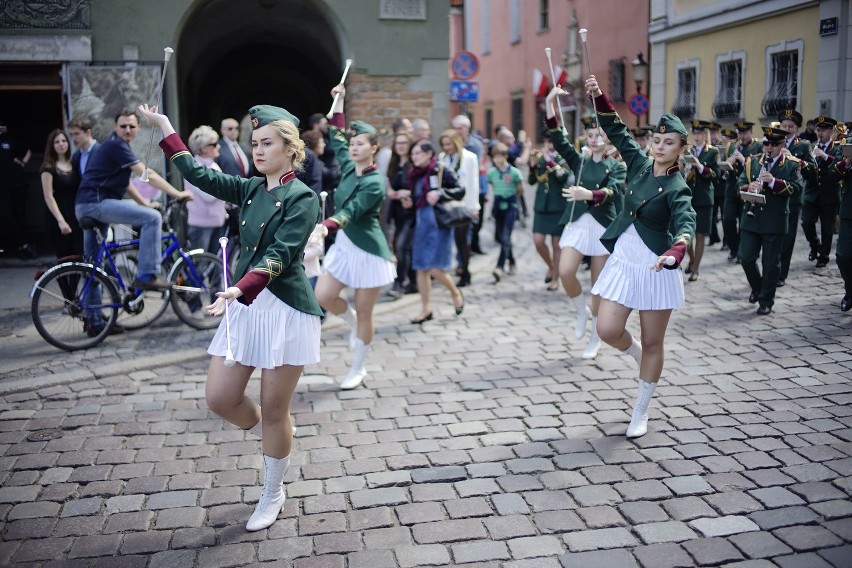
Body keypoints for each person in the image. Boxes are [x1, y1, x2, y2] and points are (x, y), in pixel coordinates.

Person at [139, 102, 323, 533]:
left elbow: (282, 254)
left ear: (290, 148)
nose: (257, 150)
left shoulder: (303, 198)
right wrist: (166, 127)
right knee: (221, 398)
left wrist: (240, 287)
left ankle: (273, 490)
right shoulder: (251, 188)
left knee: (277, 411)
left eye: (267, 143)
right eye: (254, 143)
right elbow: (201, 175)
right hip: (243, 303)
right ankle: (275, 431)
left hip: (283, 308)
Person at [564, 76, 695, 438]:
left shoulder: (677, 187)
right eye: (657, 140)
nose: (660, 146)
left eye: (669, 142)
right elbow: (618, 131)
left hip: (656, 264)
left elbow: (686, 222)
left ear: (681, 148)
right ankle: (635, 354)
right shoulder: (637, 163)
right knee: (607, 329)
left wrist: (675, 252)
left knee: (654, 342)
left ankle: (640, 410)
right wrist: (599, 97)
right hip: (623, 258)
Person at [75, 109, 193, 335]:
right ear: (115, 127)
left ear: (138, 129)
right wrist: (177, 193)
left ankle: (95, 322)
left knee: (93, 267)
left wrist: (145, 203)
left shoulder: (115, 147)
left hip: (85, 205)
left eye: (131, 126)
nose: (127, 130)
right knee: (153, 218)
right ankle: (147, 274)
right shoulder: (115, 146)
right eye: (123, 126)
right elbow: (146, 174)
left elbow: (127, 184)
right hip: (96, 204)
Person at [315, 84, 396, 391]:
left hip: (369, 250)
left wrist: (328, 224)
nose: (354, 147)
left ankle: (358, 367)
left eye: (361, 143)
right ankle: (350, 324)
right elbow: (336, 135)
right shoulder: (348, 166)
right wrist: (340, 101)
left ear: (374, 147)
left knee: (365, 310)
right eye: (354, 143)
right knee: (324, 296)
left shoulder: (375, 182)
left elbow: (354, 210)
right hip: (346, 245)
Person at [545, 89, 626, 360]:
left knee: (598, 286)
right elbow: (558, 140)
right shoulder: (578, 161)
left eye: (599, 136)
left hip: (603, 224)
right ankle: (581, 311)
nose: (594, 139)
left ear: (608, 140)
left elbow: (613, 192)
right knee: (566, 271)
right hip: (579, 223)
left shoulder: (617, 166)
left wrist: (589, 195)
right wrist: (549, 103)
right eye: (591, 136)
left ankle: (595, 336)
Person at [737, 127, 804, 315]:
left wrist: (774, 182)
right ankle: (758, 288)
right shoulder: (752, 162)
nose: (769, 148)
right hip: (751, 218)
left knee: (770, 264)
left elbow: (798, 189)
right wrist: (748, 186)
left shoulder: (792, 164)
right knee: (746, 257)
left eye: (774, 144)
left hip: (775, 221)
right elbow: (738, 184)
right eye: (766, 143)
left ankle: (766, 300)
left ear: (782, 144)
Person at [408, 138, 466, 323]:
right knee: (420, 267)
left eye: (417, 153)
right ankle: (426, 309)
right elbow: (418, 197)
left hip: (438, 223)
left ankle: (455, 292)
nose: (414, 157)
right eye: (413, 154)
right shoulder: (414, 173)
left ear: (429, 154)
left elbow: (460, 190)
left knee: (433, 268)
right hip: (421, 223)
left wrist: (441, 194)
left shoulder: (441, 168)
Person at [777, 110, 817, 286]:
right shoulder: (774, 142)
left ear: (796, 128)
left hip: (793, 197)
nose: (787, 129)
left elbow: (813, 170)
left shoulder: (802, 146)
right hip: (775, 196)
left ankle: (781, 273)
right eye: (784, 126)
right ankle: (771, 268)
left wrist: (796, 160)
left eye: (790, 127)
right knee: (774, 235)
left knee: (787, 236)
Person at [528, 132, 570, 292]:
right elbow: (531, 181)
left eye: (552, 140)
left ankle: (555, 279)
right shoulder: (540, 158)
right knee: (538, 240)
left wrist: (549, 160)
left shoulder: (564, 158)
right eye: (547, 140)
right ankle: (552, 266)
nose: (549, 143)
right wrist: (532, 164)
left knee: (556, 245)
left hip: (558, 206)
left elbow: (563, 177)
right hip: (542, 206)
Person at [438, 129, 480, 287]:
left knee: (462, 240)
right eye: (444, 145)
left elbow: (473, 184)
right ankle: (446, 270)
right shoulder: (442, 158)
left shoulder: (470, 158)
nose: (447, 147)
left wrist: (474, 206)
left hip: (464, 204)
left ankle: (465, 271)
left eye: (449, 144)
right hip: (448, 204)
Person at [802, 116, 844, 268]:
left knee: (827, 228)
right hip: (811, 193)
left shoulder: (838, 148)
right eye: (819, 130)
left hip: (829, 194)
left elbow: (840, 164)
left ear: (832, 132)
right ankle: (815, 245)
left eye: (824, 130)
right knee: (806, 222)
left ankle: (824, 256)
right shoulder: (811, 147)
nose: (821, 133)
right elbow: (806, 172)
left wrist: (824, 156)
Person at [682, 120, 720, 282]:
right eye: (694, 133)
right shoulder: (687, 151)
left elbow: (715, 175)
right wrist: (685, 170)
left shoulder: (712, 152)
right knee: (687, 235)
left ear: (705, 135)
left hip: (704, 198)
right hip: (688, 197)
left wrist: (699, 166)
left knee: (700, 235)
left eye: (699, 133)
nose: (696, 136)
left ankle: (696, 269)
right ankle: (691, 259)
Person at [722, 121, 763, 264]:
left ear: (751, 132)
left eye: (745, 133)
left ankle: (740, 251)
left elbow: (759, 166)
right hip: (732, 189)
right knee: (727, 219)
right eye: (740, 133)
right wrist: (729, 161)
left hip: (747, 189)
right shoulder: (732, 147)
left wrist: (743, 159)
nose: (742, 136)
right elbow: (723, 166)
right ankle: (733, 248)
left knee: (743, 222)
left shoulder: (759, 146)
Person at [184, 125, 228, 253]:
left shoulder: (213, 165)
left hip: (217, 221)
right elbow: (209, 195)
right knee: (200, 266)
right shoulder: (194, 167)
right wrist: (226, 188)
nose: (219, 146)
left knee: (214, 265)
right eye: (214, 144)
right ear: (203, 148)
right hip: (201, 224)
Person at [40, 129, 83, 259]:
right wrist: (61, 221)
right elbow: (48, 196)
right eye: (57, 142)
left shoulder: (74, 164)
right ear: (51, 146)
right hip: (58, 215)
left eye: (64, 141)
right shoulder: (48, 168)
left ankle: (75, 281)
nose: (61, 144)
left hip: (75, 214)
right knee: (63, 257)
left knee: (78, 255)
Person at [385, 131, 416, 297]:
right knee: (400, 246)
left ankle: (399, 283)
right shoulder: (394, 164)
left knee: (403, 246)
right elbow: (390, 187)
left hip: (411, 212)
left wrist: (407, 193)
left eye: (404, 143)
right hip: (397, 211)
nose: (401, 146)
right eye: (399, 143)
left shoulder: (413, 164)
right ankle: (412, 281)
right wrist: (396, 193)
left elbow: (418, 188)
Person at [487, 142, 524, 281]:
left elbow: (521, 189)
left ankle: (499, 267)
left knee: (506, 236)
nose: (497, 160)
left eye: (499, 157)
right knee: (502, 237)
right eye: (494, 157)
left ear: (506, 156)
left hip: (510, 205)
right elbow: (491, 185)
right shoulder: (492, 173)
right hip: (497, 205)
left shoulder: (514, 172)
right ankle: (512, 261)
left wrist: (513, 193)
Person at [451, 114, 488, 255]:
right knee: (459, 229)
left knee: (473, 224)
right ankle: (464, 257)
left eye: (459, 128)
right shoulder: (451, 143)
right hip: (456, 192)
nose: (457, 131)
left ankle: (470, 249)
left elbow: (473, 169)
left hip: (473, 189)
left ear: (467, 128)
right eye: (454, 128)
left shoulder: (475, 145)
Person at [0, 121, 35, 258]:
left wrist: (23, 162)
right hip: (2, 186)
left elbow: (28, 151)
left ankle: (23, 246)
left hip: (17, 183)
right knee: (6, 214)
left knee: (20, 214)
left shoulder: (11, 140)